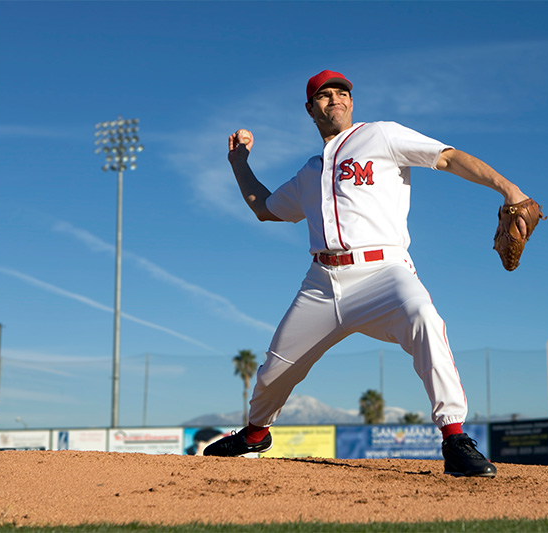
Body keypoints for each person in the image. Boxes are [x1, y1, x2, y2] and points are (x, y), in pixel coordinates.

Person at [205, 70, 531, 477]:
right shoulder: (308, 173)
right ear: (311, 109)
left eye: (342, 92)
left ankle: (454, 436)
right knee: (275, 369)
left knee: (424, 319)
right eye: (324, 95)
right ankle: (255, 434)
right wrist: (239, 162)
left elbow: (447, 157)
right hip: (322, 284)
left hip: (384, 273)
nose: (335, 99)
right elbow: (265, 207)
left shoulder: (381, 135)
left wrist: (509, 189)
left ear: (352, 102)